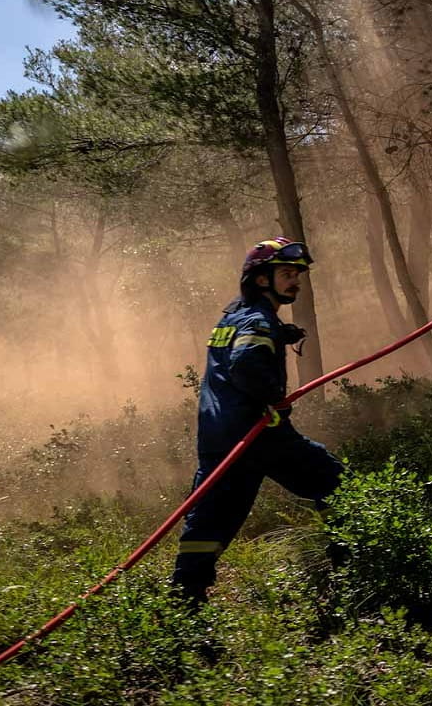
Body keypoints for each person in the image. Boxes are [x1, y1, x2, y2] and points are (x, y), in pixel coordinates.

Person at [171, 237, 343, 605]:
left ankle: (183, 603)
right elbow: (246, 362)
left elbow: (238, 347)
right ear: (262, 279)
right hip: (258, 434)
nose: (295, 280)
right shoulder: (258, 320)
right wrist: (274, 399)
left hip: (219, 438)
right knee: (337, 484)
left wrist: (281, 335)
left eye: (297, 274)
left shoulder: (233, 316)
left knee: (210, 522)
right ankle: (355, 573)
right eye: (285, 273)